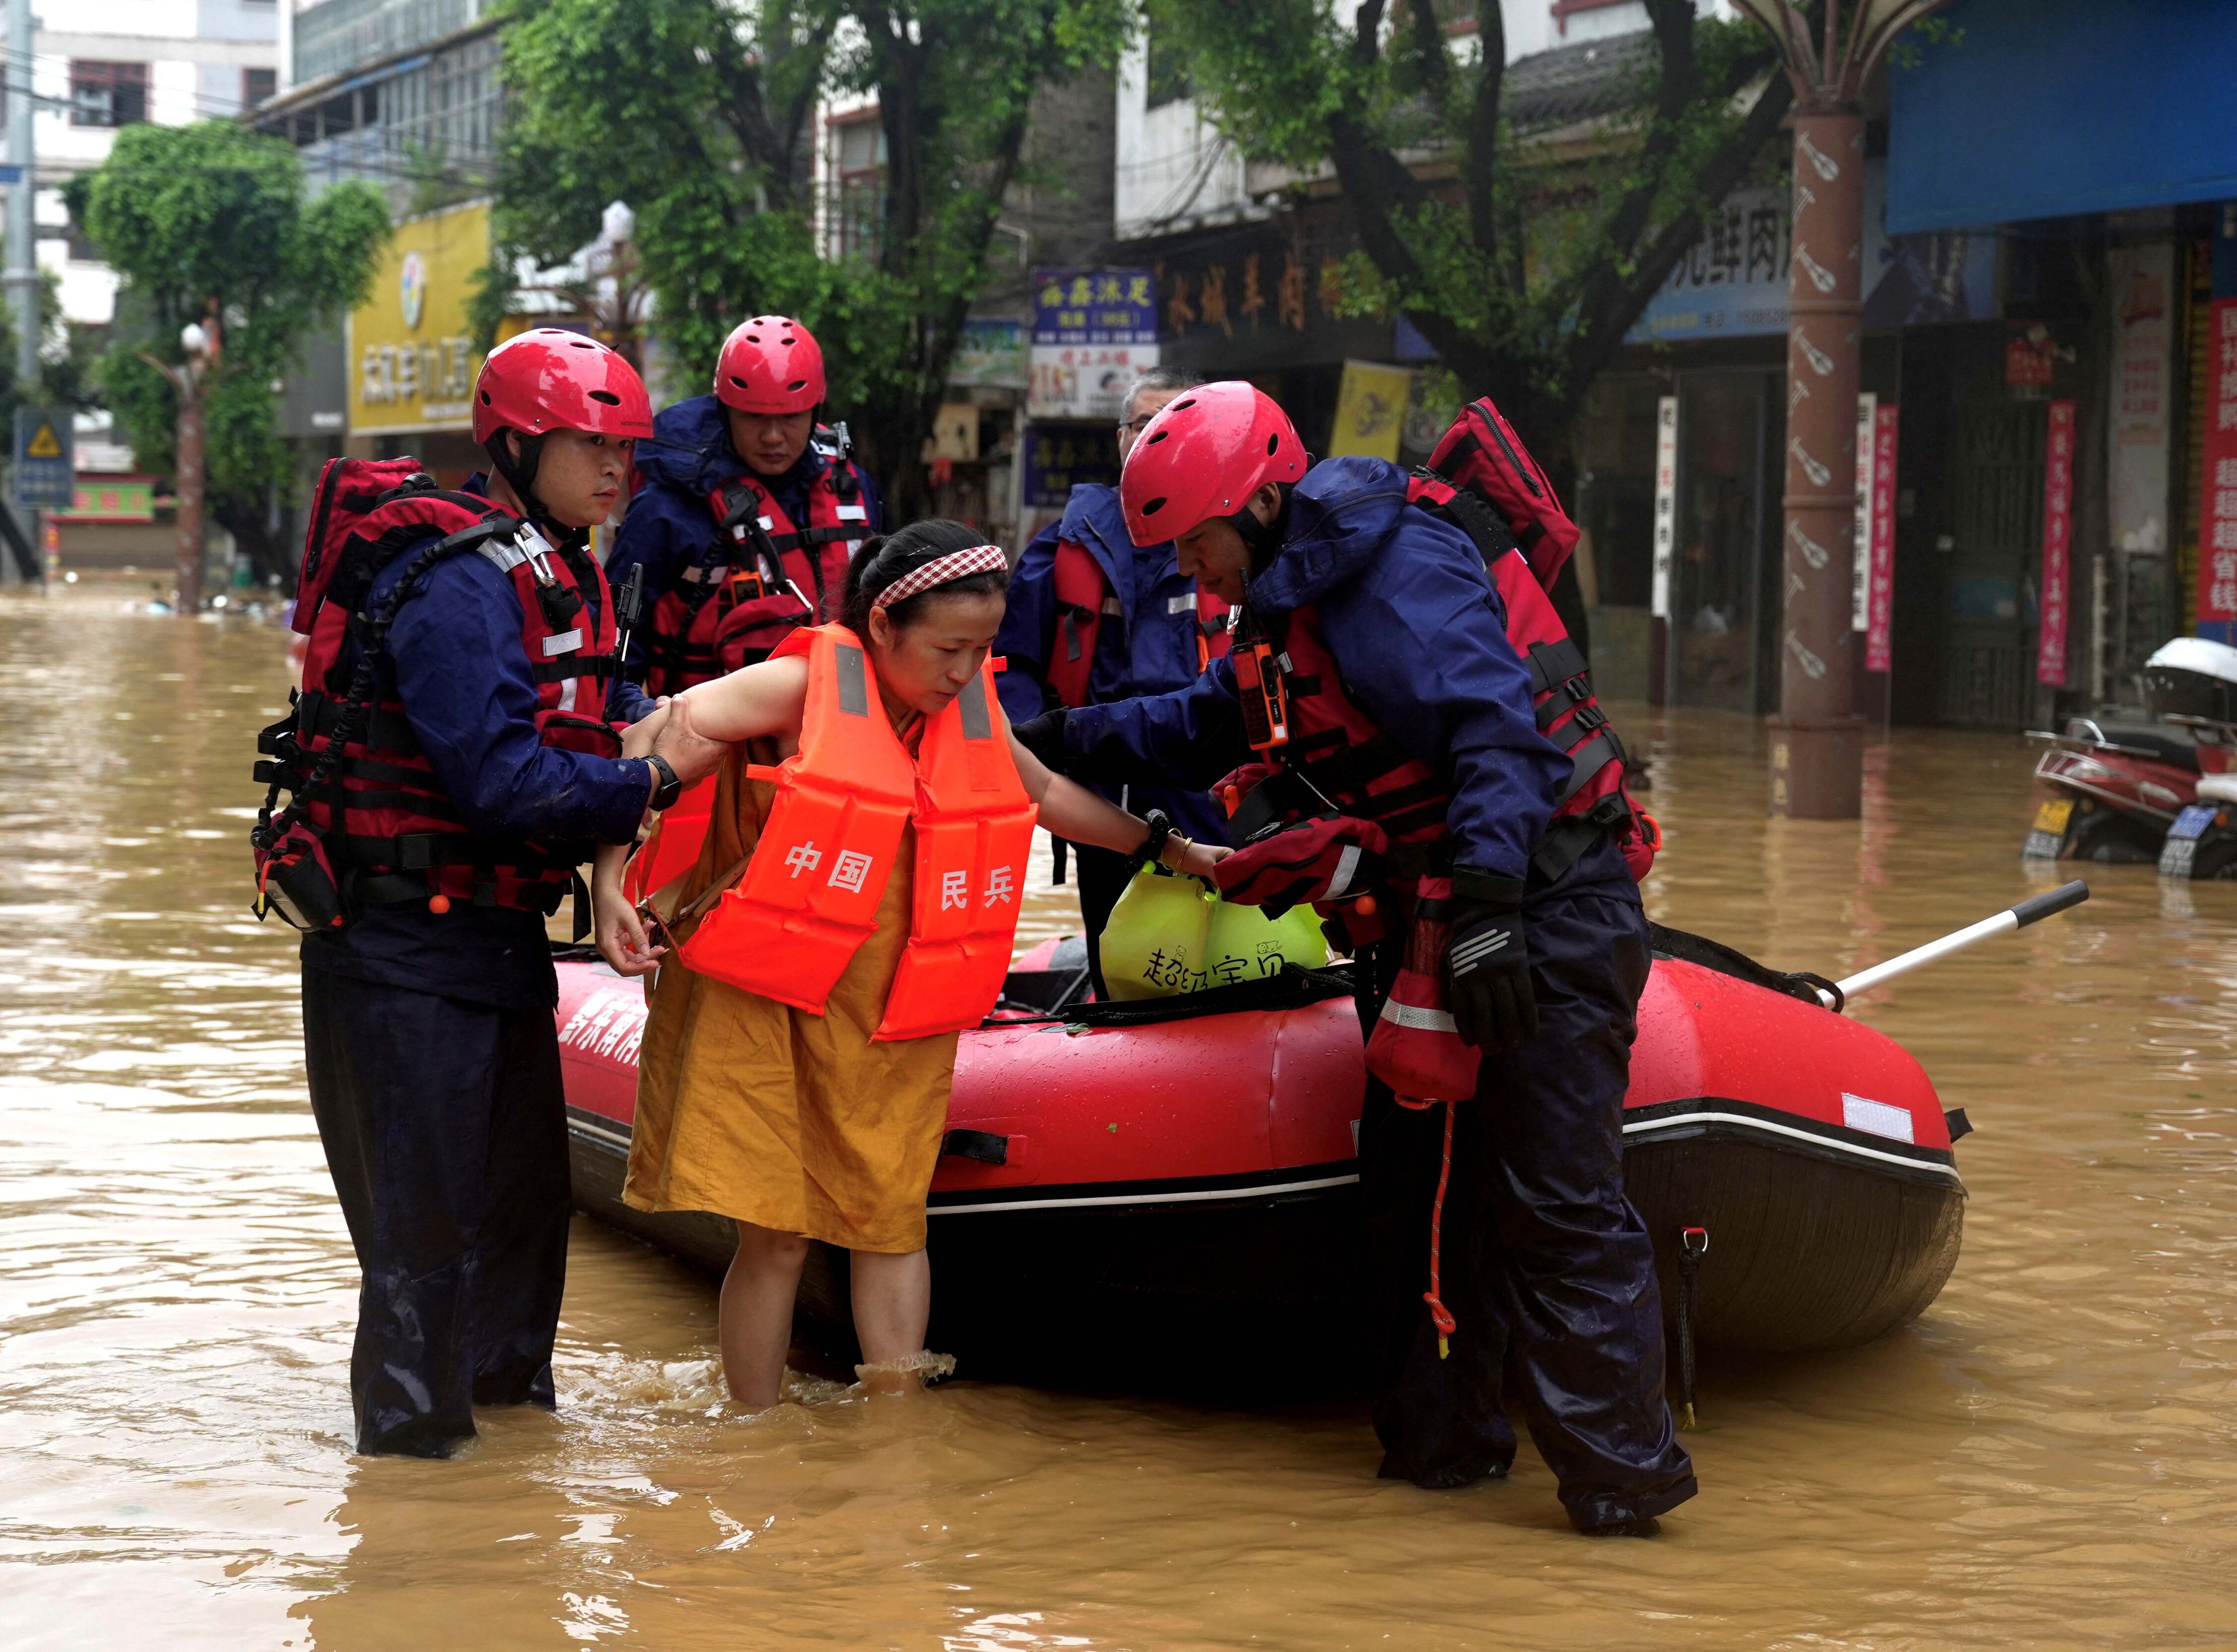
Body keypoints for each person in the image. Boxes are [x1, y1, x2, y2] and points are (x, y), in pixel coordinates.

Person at [1016, 382, 1692, 1536]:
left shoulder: (1395, 572)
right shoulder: (1284, 599)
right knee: (1418, 1200)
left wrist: (1486, 913)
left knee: (1554, 1202)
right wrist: (1055, 736)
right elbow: (1219, 721)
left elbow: (1497, 737)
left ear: (1262, 500)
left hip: (1536, 909)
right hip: (1433, 916)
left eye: (1197, 542)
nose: (1192, 571)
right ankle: (1443, 1454)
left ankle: (1625, 1491)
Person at [591, 520, 1226, 1406]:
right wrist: (609, 883)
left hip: (887, 1009)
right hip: (761, 996)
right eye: (949, 648)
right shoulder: (797, 685)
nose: (967, 671)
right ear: (883, 625)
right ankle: (753, 1438)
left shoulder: (965, 710)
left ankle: (896, 1433)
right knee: (776, 1234)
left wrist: (1175, 849)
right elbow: (659, 736)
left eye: (983, 648)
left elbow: (1041, 794)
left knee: (892, 1221)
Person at [256, 328, 717, 1457]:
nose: (616, 467)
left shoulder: (574, 572)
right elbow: (503, 779)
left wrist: (611, 866)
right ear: (514, 443)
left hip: (498, 943)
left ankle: (511, 1505)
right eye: (588, 443)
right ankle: (413, 1521)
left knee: (522, 1223)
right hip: (399, 952)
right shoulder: (461, 583)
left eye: (626, 447)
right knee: (425, 1245)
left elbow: (585, 735)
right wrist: (647, 783)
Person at [993, 367, 1232, 949]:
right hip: (1100, 789)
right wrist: (1037, 757)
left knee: (1223, 951)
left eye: (1174, 423)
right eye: (1142, 423)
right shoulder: (1062, 545)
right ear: (1119, 437)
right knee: (1116, 950)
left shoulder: (1230, 539)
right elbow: (1012, 662)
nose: (1155, 436)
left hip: (1208, 786)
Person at [608, 314, 884, 696]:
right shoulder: (665, 509)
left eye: (789, 417)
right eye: (754, 416)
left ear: (814, 412)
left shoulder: (855, 489)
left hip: (842, 731)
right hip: (710, 739)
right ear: (725, 412)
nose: (772, 436)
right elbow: (613, 653)